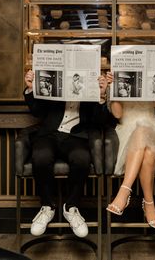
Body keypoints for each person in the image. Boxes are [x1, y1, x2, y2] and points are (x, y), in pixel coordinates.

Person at [24, 70, 116, 238]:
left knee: (82, 158)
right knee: (41, 157)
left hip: (76, 136)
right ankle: (47, 206)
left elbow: (100, 121)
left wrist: (101, 96)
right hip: (49, 133)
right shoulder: (56, 80)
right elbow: (36, 111)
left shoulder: (90, 84)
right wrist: (31, 88)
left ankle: (71, 207)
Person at [106, 72, 155, 230]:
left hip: (153, 128)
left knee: (144, 130)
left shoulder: (152, 77)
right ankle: (149, 204)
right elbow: (117, 114)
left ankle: (124, 191)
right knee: (148, 152)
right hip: (126, 131)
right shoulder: (117, 78)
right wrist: (112, 88)